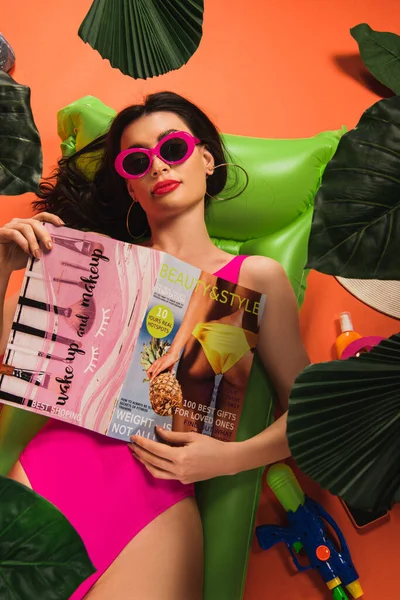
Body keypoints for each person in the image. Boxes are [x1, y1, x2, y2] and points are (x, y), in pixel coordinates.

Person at [0, 91, 309, 600]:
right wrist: (0, 276)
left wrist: (229, 459)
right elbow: (8, 366)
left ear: (208, 159)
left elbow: (312, 414)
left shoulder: (253, 279)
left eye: (174, 148)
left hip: (159, 500)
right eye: (138, 159)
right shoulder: (90, 264)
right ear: (130, 185)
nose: (158, 166)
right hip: (49, 474)